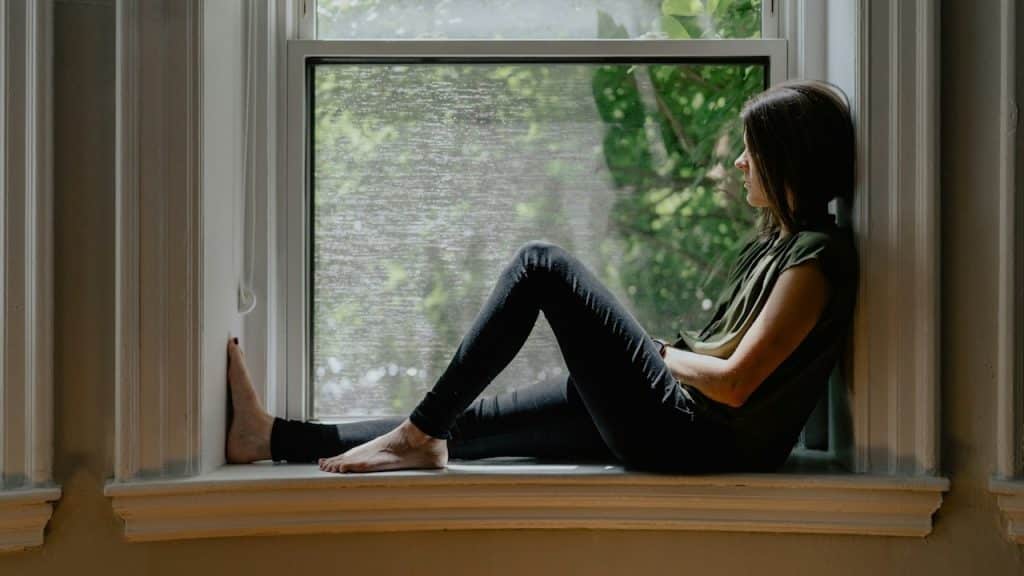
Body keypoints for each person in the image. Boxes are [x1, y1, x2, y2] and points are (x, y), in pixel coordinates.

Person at [225, 79, 859, 475]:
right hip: (676, 424)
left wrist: (651, 351)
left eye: (755, 149)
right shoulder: (776, 246)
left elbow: (736, 384)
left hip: (693, 438)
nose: (742, 162)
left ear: (788, 160)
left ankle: (415, 435)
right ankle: (271, 438)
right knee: (459, 425)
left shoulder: (815, 260)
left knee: (542, 265)